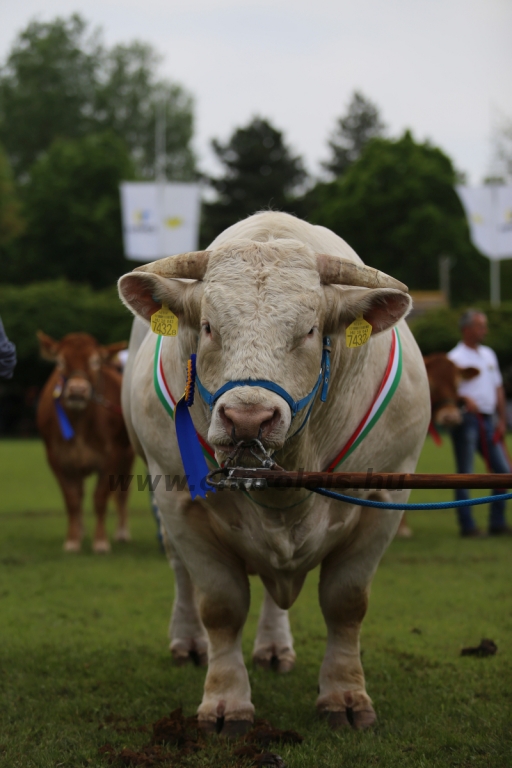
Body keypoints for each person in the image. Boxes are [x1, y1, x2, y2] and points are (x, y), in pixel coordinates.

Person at [448, 309, 510, 537]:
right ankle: (468, 526)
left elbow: (498, 389)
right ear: (467, 329)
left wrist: (502, 420)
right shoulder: (455, 358)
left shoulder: (488, 354)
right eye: (480, 326)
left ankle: (497, 522)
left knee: (504, 472)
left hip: (488, 421)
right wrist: (463, 398)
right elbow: (446, 392)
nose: (484, 330)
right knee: (466, 473)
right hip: (467, 419)